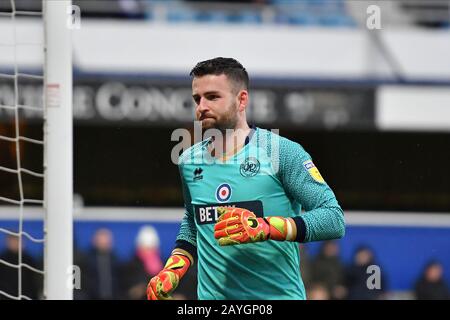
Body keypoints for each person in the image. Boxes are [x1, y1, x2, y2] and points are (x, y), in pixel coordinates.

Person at [147, 57, 345, 300]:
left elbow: (333, 218)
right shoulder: (188, 161)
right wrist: (175, 268)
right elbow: (193, 219)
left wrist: (267, 227)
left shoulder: (280, 152)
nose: (201, 106)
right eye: (197, 99)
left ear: (242, 100)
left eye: (212, 97)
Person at [121, 225, 163, 300]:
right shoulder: (131, 265)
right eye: (146, 248)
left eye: (151, 248)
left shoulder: (163, 265)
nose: (148, 251)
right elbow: (126, 289)